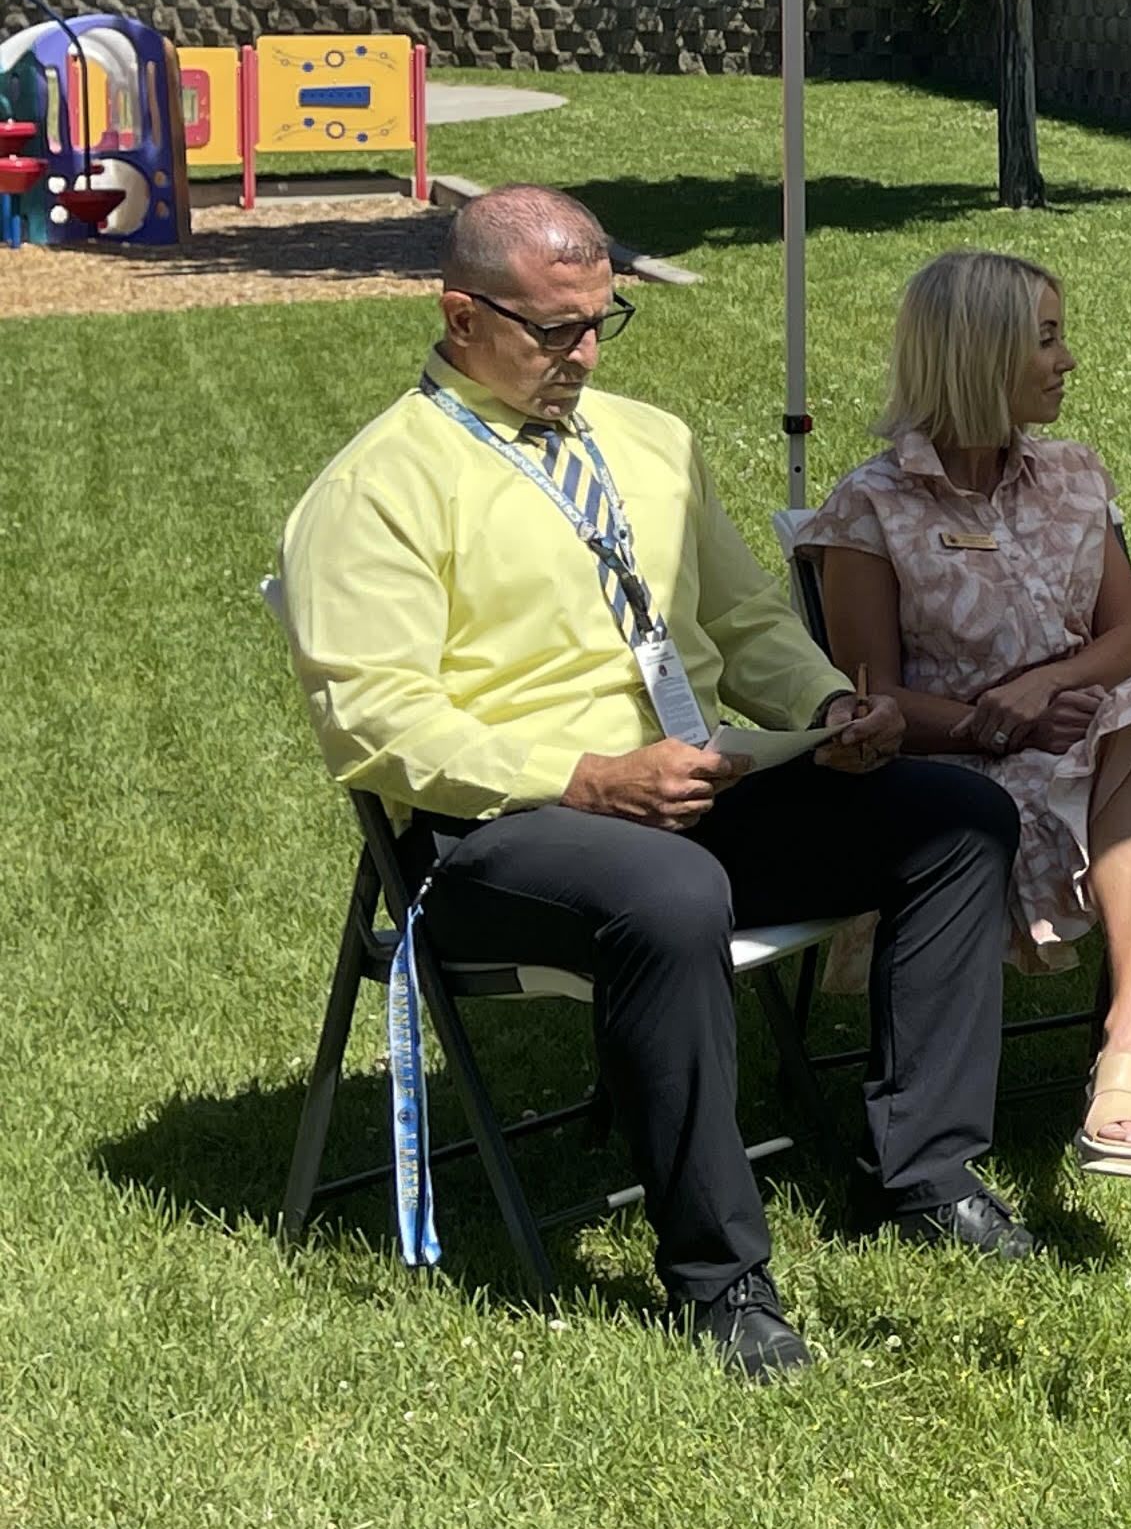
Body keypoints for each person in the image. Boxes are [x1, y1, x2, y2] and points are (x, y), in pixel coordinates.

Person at [280, 186, 1027, 1381]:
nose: (583, 354)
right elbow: (379, 722)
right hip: (498, 831)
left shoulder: (650, 442)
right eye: (553, 330)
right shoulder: (379, 488)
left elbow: (743, 619)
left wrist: (828, 708)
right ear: (461, 317)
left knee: (959, 818)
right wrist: (583, 777)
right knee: (671, 894)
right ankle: (721, 1279)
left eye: (600, 323)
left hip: (690, 789)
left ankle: (922, 1174)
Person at [797, 251, 1131, 1195]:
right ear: (980, 353)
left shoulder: (1077, 475)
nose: (1067, 360)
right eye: (1046, 339)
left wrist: (1048, 688)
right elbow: (865, 699)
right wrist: (991, 724)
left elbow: (1130, 641)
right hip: (970, 779)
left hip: (1105, 742)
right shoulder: (871, 507)